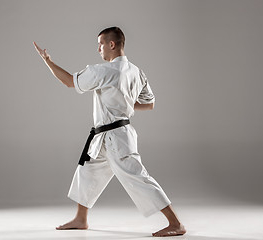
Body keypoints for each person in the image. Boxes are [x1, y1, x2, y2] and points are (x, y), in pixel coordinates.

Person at [33, 26, 186, 237]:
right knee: (86, 172)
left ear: (111, 44)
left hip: (116, 138)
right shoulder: (136, 72)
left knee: (138, 178)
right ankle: (81, 219)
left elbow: (69, 81)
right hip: (108, 136)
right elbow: (149, 104)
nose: (98, 49)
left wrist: (47, 61)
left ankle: (175, 223)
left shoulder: (103, 71)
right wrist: (126, 106)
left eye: (100, 44)